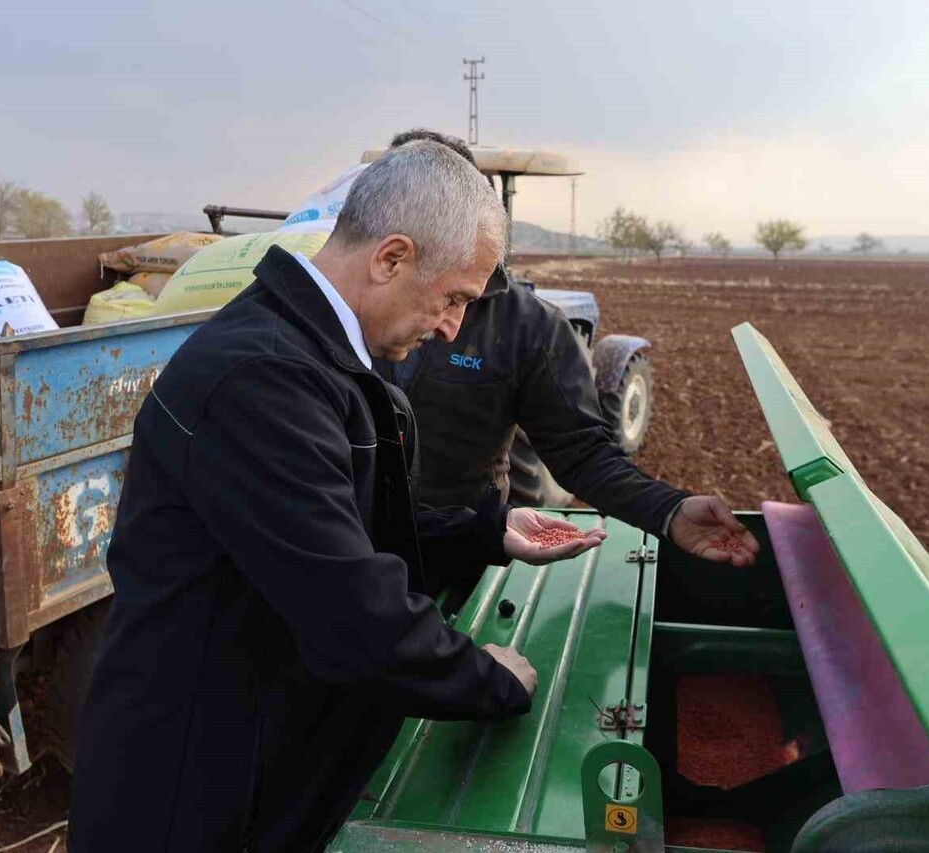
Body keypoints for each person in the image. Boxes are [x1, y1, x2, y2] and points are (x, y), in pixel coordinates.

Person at [68, 142, 605, 852]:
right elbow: (350, 609)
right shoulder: (262, 378)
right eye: (453, 298)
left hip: (253, 754)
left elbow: (333, 521)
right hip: (195, 794)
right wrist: (489, 678)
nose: (453, 326)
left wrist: (484, 529)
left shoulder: (314, 355)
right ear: (391, 258)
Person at [372, 130, 760, 579]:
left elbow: (580, 450)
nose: (448, 323)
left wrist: (668, 511)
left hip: (457, 551)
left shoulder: (528, 326)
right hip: (343, 541)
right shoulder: (352, 306)